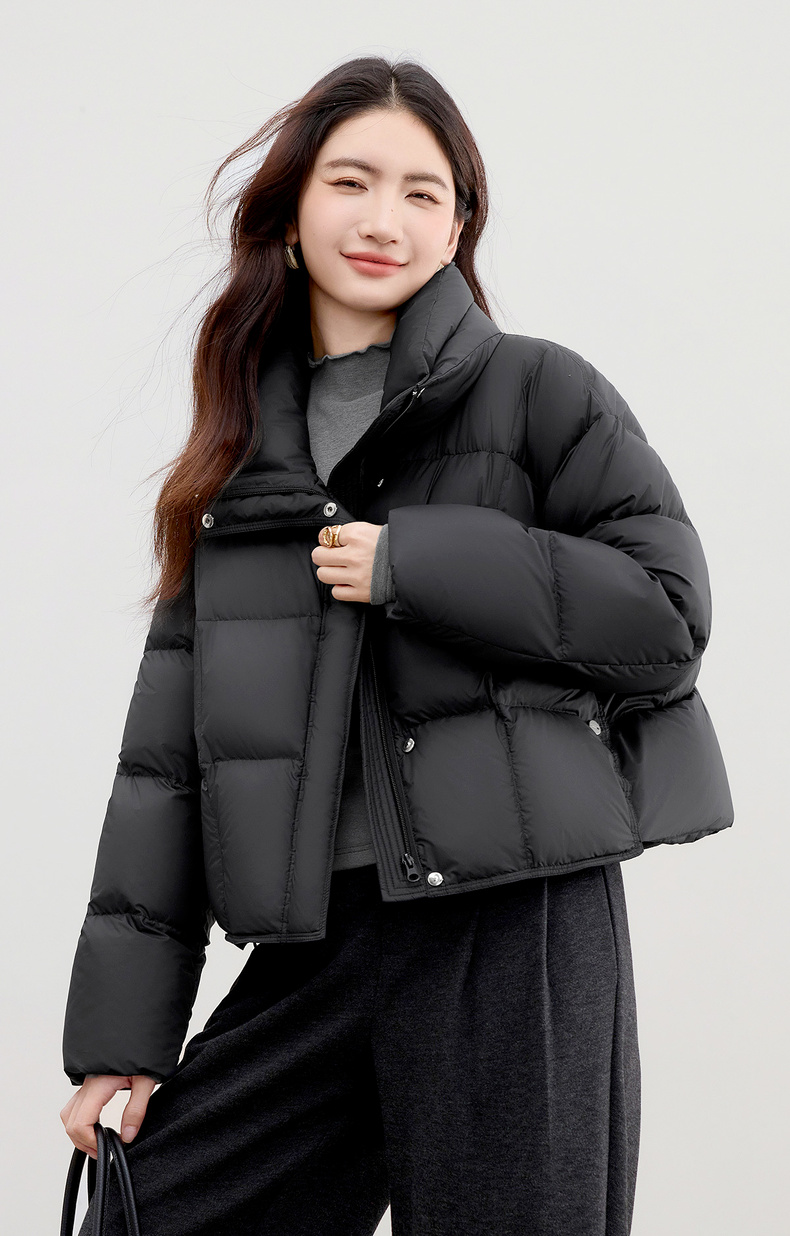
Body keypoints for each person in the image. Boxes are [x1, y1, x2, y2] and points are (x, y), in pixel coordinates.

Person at [59, 55, 734, 1236]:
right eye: (351, 182)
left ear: (457, 226)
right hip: (318, 936)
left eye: (422, 193)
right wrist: (123, 1040)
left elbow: (666, 615)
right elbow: (165, 765)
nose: (383, 220)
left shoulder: (540, 392)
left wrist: (416, 564)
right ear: (289, 214)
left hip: (512, 922)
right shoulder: (236, 461)